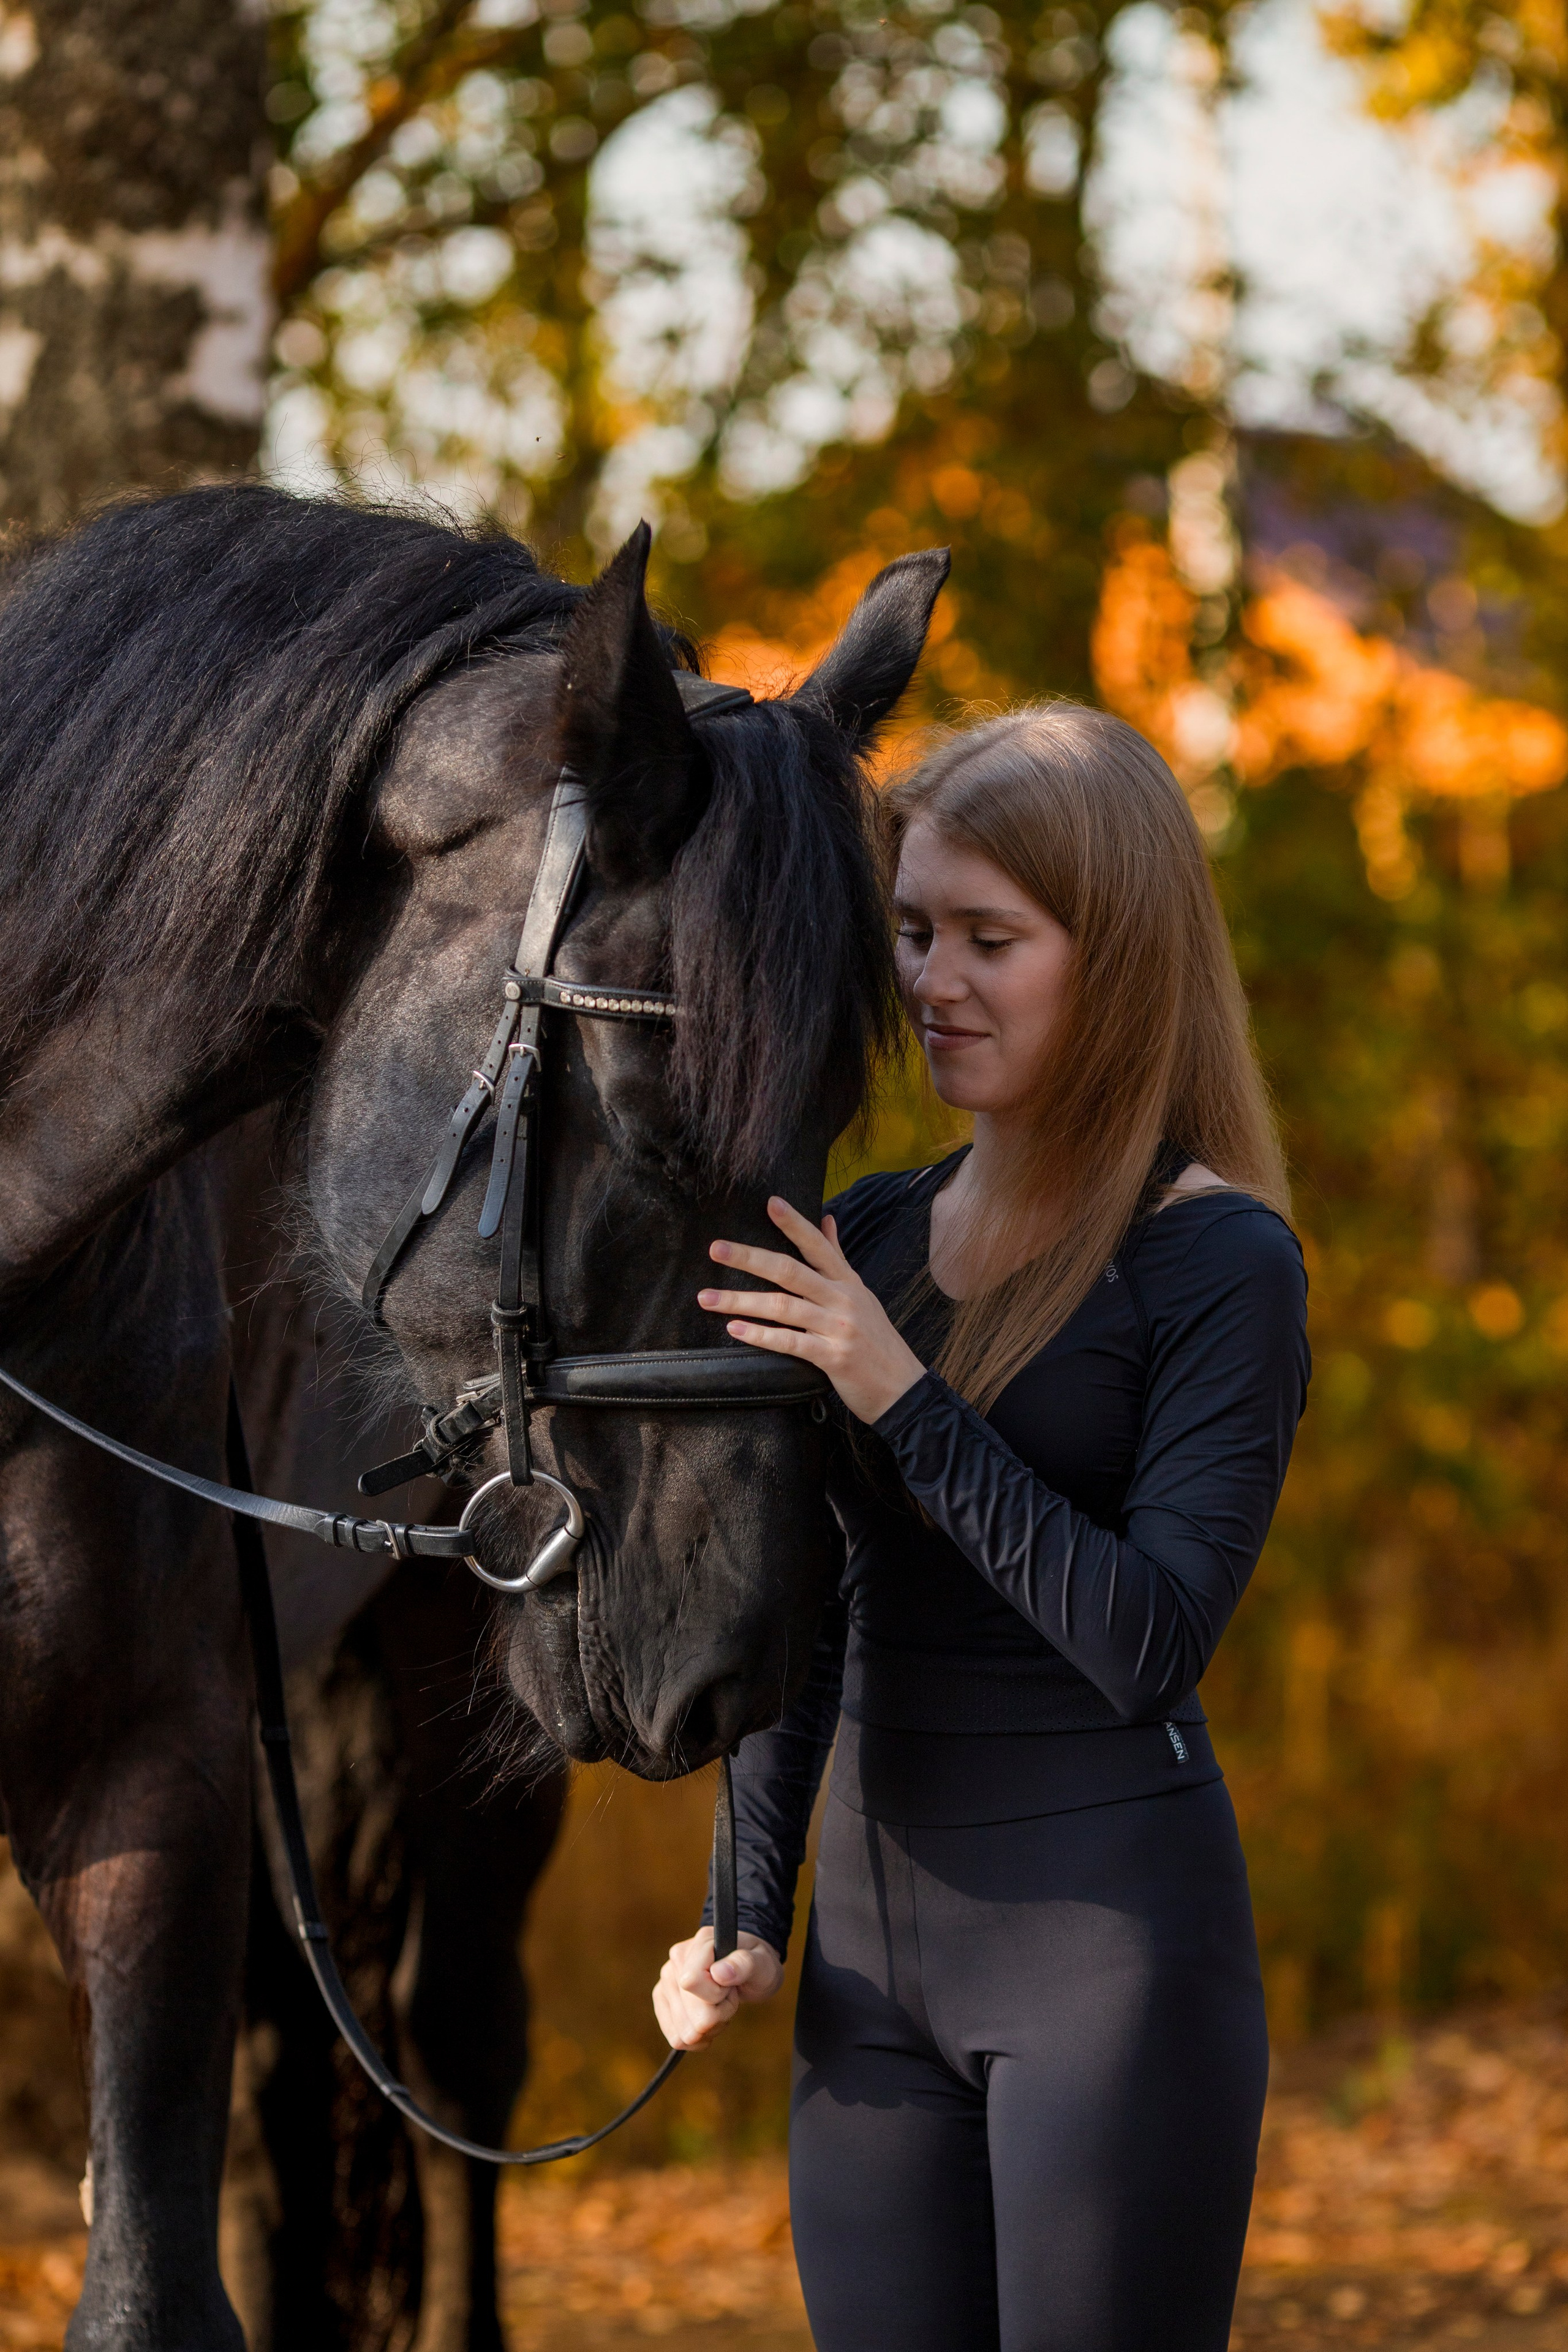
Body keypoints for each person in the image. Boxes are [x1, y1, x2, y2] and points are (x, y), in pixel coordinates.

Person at [650, 703, 1310, 2352]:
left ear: (1119, 957)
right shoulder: (860, 1238)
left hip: (1109, 1977)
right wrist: (745, 1904)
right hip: (868, 1992)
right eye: (915, 930)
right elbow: (804, 1604)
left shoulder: (1220, 1263)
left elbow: (1150, 1640)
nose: (933, 979)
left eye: (989, 940)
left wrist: (901, 1397)